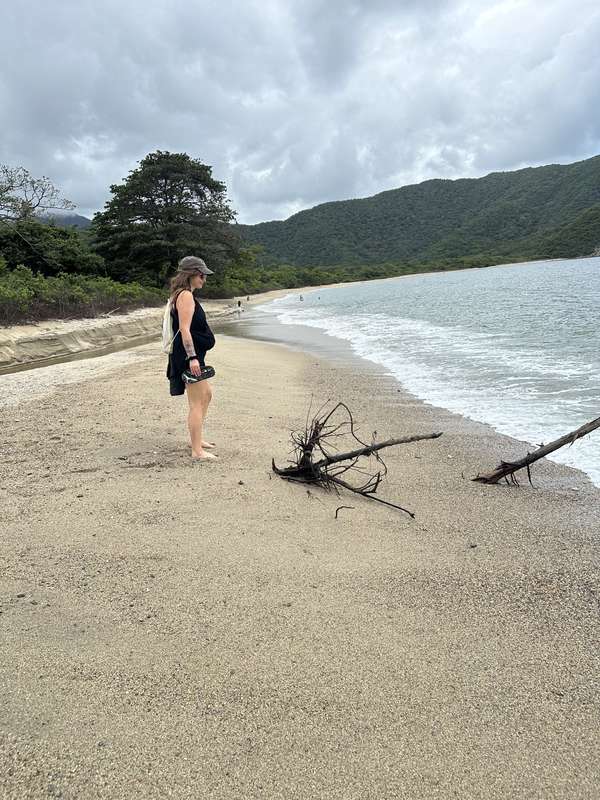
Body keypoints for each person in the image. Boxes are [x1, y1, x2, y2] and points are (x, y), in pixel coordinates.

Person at [166, 256, 217, 461]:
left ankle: (197, 439)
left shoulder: (183, 294)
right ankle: (197, 450)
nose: (204, 279)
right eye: (202, 275)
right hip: (188, 356)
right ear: (192, 274)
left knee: (206, 395)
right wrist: (193, 357)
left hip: (191, 355)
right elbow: (184, 329)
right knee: (197, 401)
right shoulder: (185, 296)